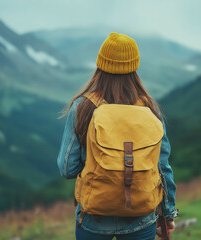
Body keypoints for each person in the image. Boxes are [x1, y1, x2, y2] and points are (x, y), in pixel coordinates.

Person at [57, 32, 177, 240]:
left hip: (94, 216)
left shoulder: (83, 107)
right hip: (141, 215)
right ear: (134, 67)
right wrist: (168, 213)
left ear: (100, 65)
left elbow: (67, 168)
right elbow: (162, 167)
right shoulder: (151, 108)